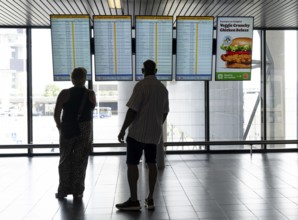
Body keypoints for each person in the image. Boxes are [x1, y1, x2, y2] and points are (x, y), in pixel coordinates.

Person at [115, 60, 169, 211]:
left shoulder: (141, 86)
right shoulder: (163, 89)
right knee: (152, 164)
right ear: (156, 70)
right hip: (154, 134)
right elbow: (165, 112)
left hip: (137, 133)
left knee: (132, 164)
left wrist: (123, 129)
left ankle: (133, 200)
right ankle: (150, 199)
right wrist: (156, 124)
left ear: (142, 70)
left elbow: (132, 110)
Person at [53, 67, 96, 200]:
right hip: (85, 130)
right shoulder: (90, 94)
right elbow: (92, 108)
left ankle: (63, 190)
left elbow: (56, 113)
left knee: (65, 159)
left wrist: (60, 127)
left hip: (67, 128)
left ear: (72, 79)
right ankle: (78, 191)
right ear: (84, 79)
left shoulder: (64, 93)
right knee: (81, 160)